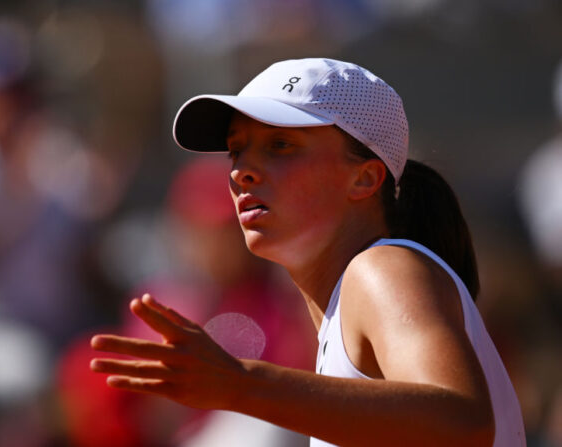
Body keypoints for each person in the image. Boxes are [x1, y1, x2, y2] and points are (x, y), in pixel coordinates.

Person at [90, 58, 525, 446]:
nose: (241, 172)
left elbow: (461, 422)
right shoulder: (355, 293)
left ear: (364, 179)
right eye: (236, 150)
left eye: (280, 145)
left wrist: (240, 384)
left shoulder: (382, 268)